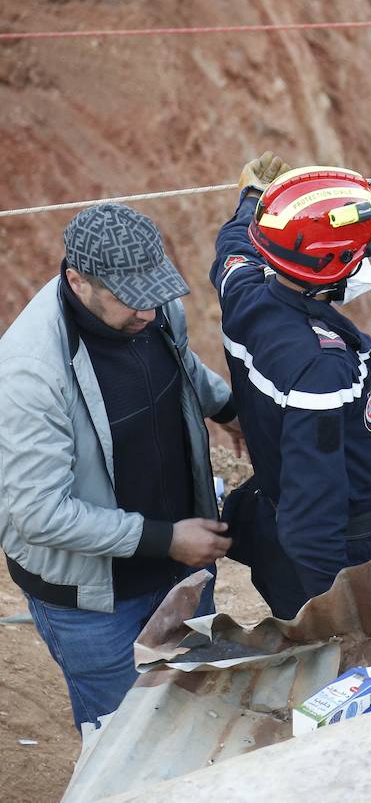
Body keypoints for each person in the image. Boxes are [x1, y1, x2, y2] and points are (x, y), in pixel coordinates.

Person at [0, 203, 235, 730]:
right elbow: (39, 514)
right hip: (93, 605)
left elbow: (180, 364)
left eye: (155, 293)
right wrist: (166, 539)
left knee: (196, 717)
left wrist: (227, 409)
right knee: (125, 739)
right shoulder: (30, 373)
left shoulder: (150, 306)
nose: (149, 313)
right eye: (130, 298)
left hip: (180, 569)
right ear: (78, 282)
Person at [212, 152, 371, 619]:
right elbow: (312, 516)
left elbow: (234, 245)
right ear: (335, 264)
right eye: (363, 250)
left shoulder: (245, 289)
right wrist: (336, 613)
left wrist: (252, 199)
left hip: (277, 518)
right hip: (339, 557)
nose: (368, 254)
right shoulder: (320, 369)